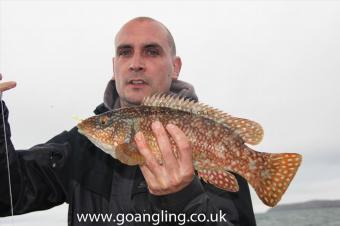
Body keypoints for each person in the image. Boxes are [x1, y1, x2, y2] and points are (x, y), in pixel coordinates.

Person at [0, 17, 256, 225]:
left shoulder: (215, 139)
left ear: (175, 66)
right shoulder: (81, 144)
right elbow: (8, 194)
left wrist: (185, 199)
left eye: (151, 51)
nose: (135, 64)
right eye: (125, 52)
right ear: (115, 66)